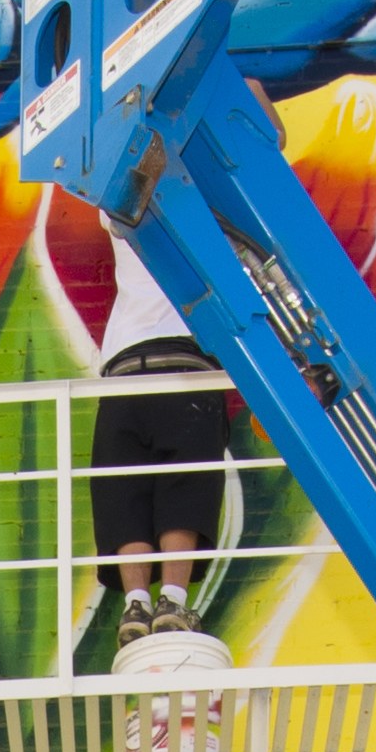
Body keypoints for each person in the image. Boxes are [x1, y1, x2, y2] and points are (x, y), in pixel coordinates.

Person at [81, 269, 251, 644]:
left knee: (124, 496)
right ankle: (172, 601)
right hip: (186, 366)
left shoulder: (119, 216)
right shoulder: (209, 216)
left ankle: (136, 606)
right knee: (185, 488)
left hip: (124, 372)